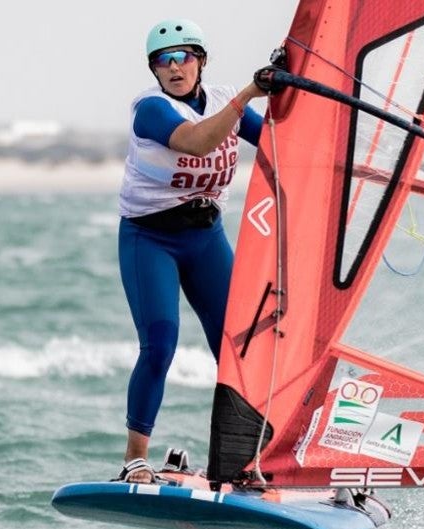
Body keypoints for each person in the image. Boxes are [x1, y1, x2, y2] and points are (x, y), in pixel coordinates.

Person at [113, 19, 267, 485]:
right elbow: (198, 143)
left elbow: (280, 144)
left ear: (201, 61)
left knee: (238, 347)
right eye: (164, 60)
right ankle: (134, 458)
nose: (175, 67)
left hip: (205, 237)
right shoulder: (150, 110)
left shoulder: (221, 102)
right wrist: (249, 94)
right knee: (160, 343)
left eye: (184, 56)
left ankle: (244, 459)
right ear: (153, 70)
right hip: (149, 239)